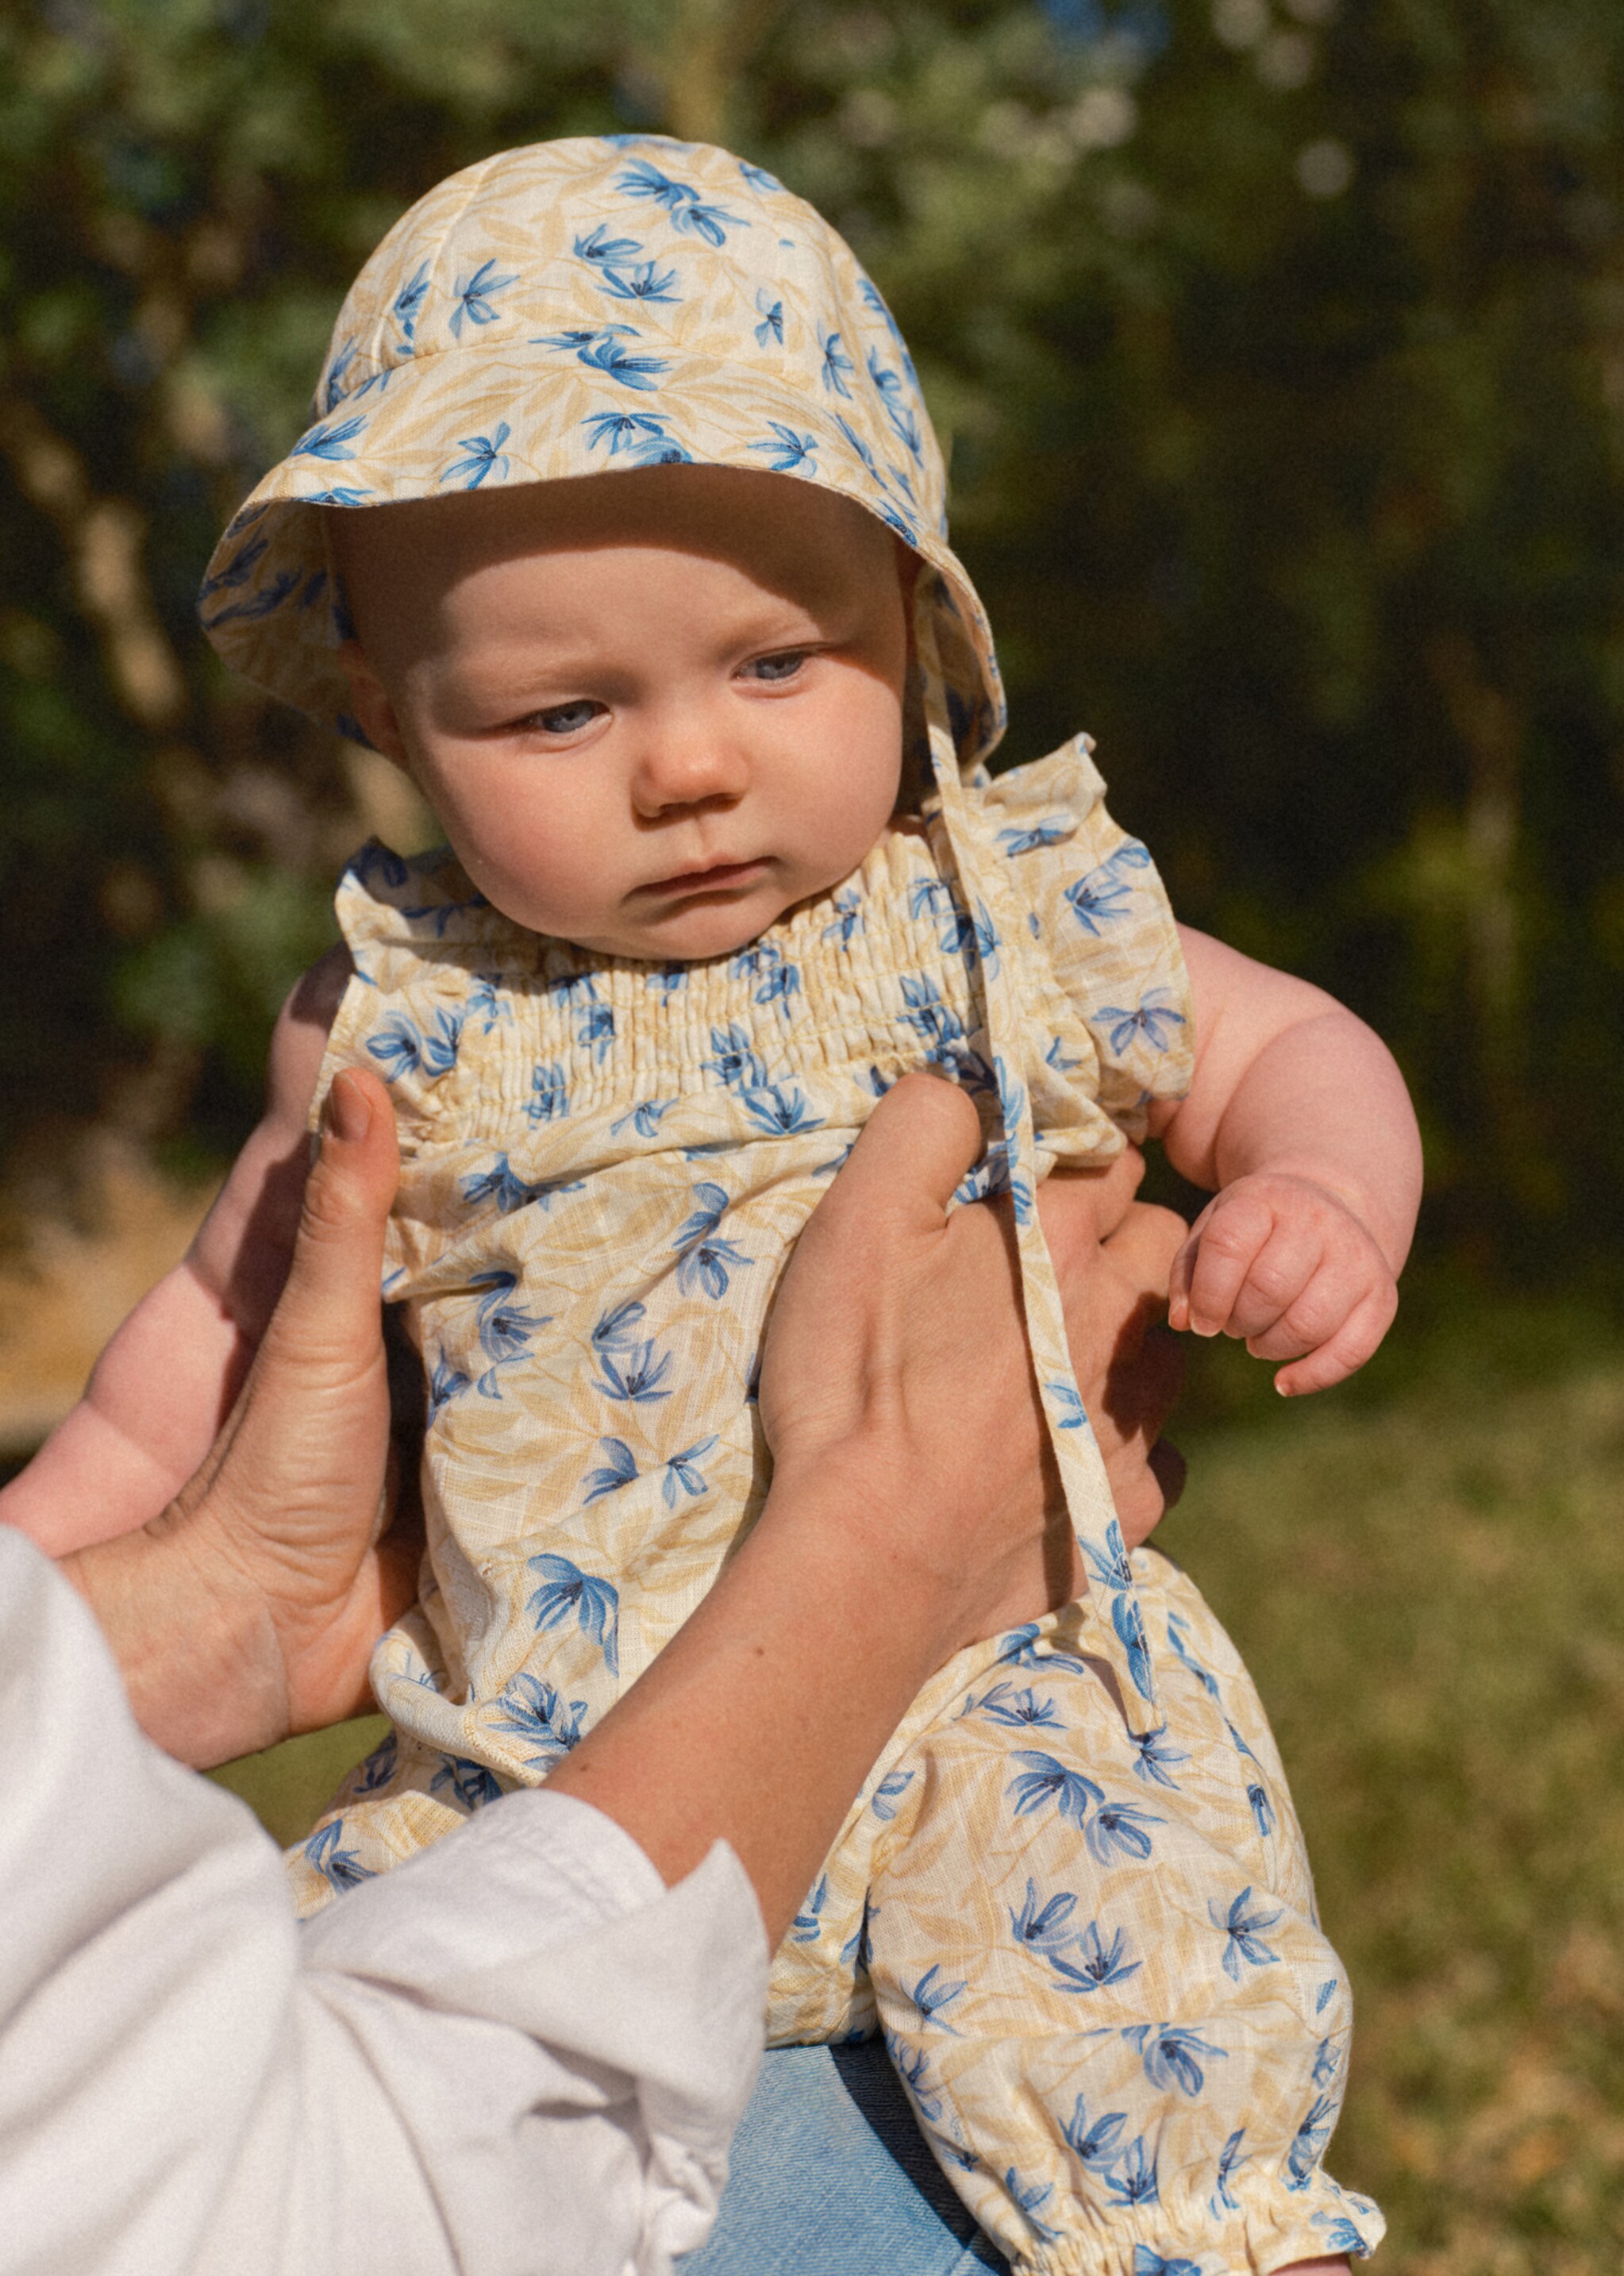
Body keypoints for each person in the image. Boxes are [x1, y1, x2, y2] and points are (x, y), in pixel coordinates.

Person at [2, 139, 1415, 2272]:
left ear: (914, 631)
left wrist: (1322, 1192)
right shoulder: (400, 1022)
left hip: (991, 1704)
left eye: (778, 663)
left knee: (1130, 1969)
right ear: (394, 721)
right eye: (564, 709)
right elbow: (190, 1360)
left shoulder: (986, 911)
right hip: (532, 1763)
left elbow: (1277, 1040)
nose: (687, 766)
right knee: (295, 2009)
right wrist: (36, 1602)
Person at [3, 1064, 1190, 2274]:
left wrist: (198, 1606)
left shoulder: (985, 901)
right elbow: (347, 2212)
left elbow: (1237, 1041)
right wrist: (904, 1521)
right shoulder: (407, 1004)